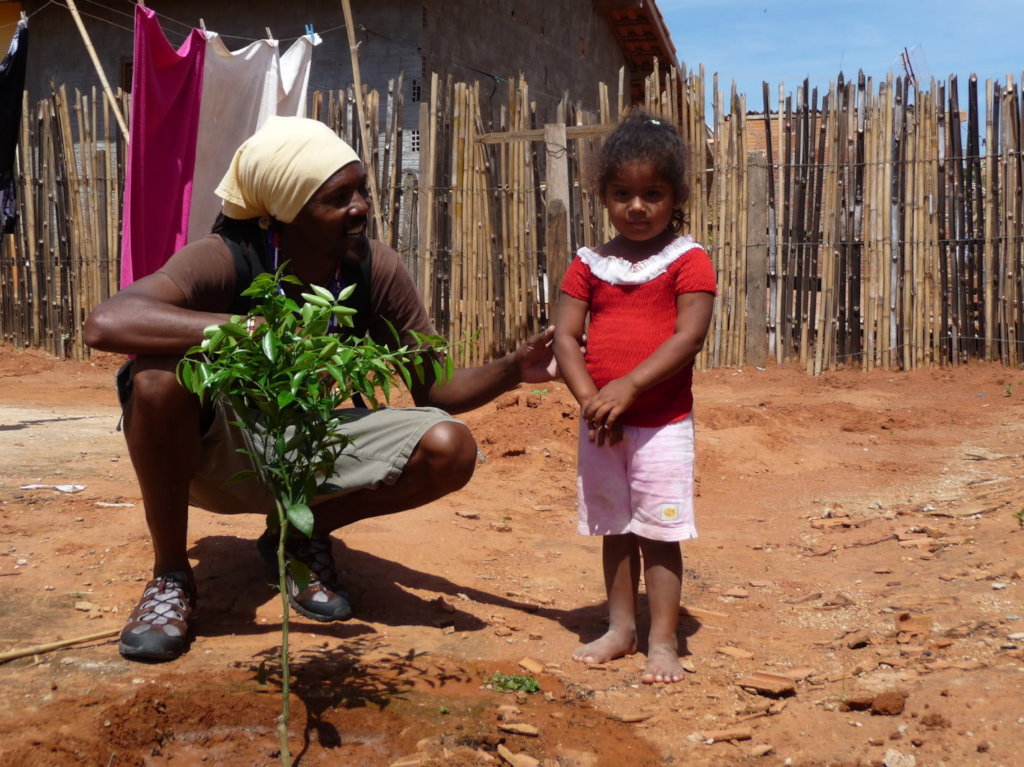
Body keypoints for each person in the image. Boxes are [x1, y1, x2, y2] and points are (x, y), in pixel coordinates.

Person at [84, 117, 555, 663]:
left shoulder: (373, 269)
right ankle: (170, 577)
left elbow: (439, 389)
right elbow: (107, 321)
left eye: (361, 190)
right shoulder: (228, 258)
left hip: (308, 445)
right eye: (337, 196)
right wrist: (243, 330)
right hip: (217, 455)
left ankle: (297, 532)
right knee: (157, 377)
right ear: (287, 212)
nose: (361, 207)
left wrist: (514, 368)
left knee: (449, 447)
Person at [552, 109, 716, 684]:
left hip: (663, 421)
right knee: (615, 528)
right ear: (602, 195)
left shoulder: (688, 260)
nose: (637, 206)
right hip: (603, 424)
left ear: (676, 196)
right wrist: (591, 398)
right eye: (623, 193)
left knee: (661, 531)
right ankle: (621, 629)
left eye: (653, 193)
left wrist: (628, 386)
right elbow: (567, 338)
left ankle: (664, 641)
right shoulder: (588, 264)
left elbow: (688, 336)